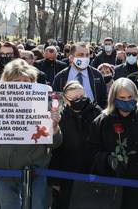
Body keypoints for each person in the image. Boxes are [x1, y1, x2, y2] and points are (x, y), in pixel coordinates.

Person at [0, 59, 62, 209]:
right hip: (3, 169)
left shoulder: (46, 105)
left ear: (33, 83)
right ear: (5, 82)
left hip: (35, 171)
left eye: (25, 81)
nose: (20, 85)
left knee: (37, 206)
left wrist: (54, 127)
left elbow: (56, 143)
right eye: (15, 81)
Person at [88, 78, 138, 209]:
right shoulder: (103, 120)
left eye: (130, 97)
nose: (126, 101)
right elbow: (92, 149)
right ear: (113, 98)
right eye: (122, 97)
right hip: (113, 181)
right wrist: (107, 159)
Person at [50, 81, 102, 209]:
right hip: (67, 176)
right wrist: (55, 181)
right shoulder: (60, 118)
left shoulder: (97, 114)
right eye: (74, 98)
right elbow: (56, 151)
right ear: (66, 100)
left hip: (92, 173)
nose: (79, 100)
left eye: (81, 97)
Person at [53, 42, 107, 108]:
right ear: (71, 58)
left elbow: (104, 99)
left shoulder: (97, 75)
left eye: (87, 55)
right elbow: (55, 102)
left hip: (92, 115)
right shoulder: (60, 77)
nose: (85, 58)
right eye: (81, 55)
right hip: (69, 116)